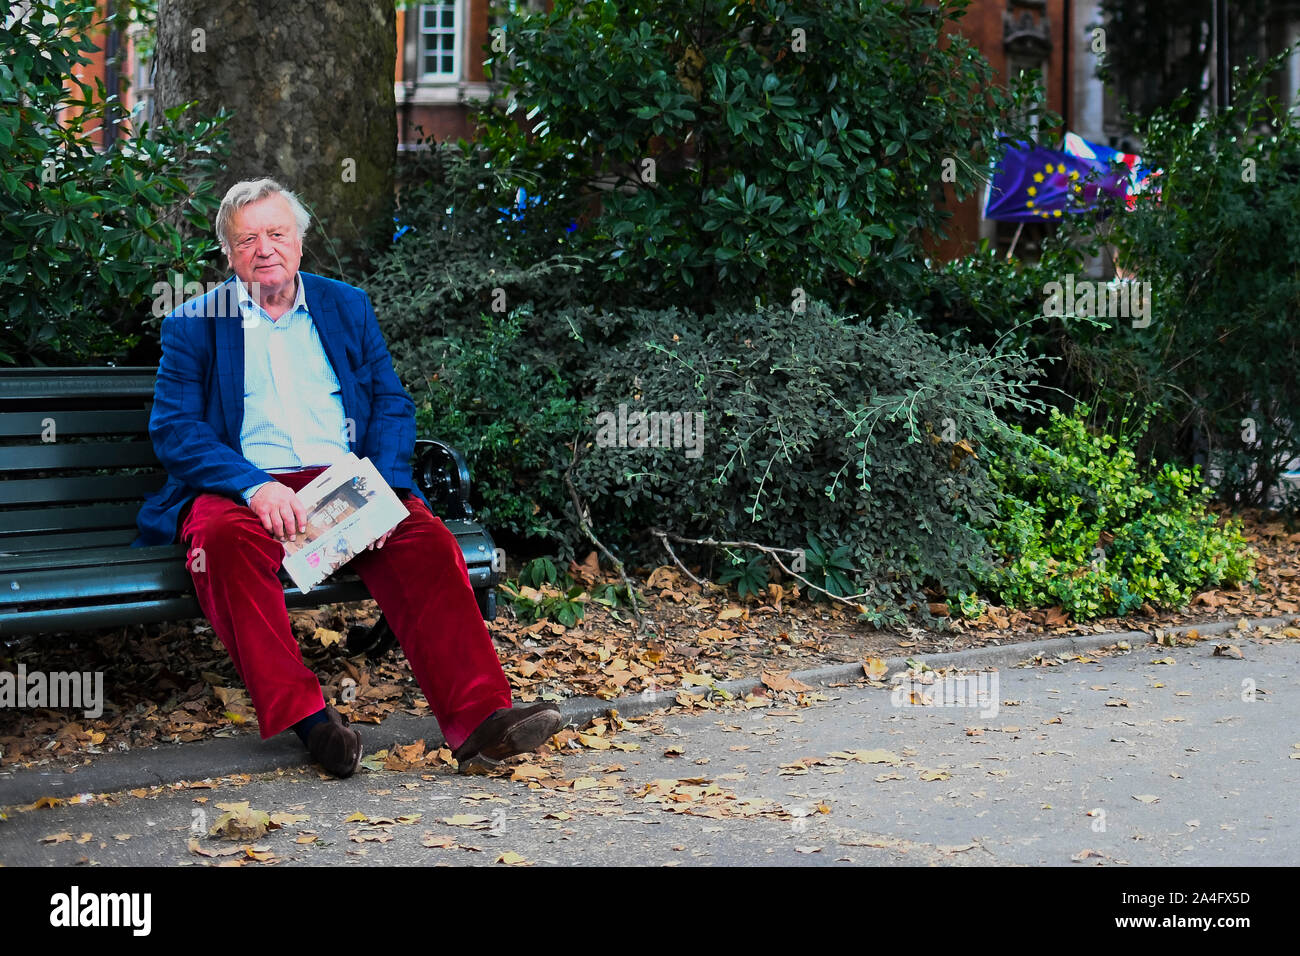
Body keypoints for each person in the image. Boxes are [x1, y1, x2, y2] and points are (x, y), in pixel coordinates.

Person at [133, 178, 561, 777]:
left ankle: (483, 721)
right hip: (247, 485)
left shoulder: (346, 306)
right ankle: (310, 721)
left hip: (345, 481)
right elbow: (176, 430)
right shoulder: (195, 324)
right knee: (221, 545)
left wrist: (381, 488)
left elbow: (389, 403)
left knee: (426, 542)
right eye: (247, 239)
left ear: (300, 241)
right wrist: (254, 486)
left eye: (278, 233)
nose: (265, 249)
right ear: (228, 254)